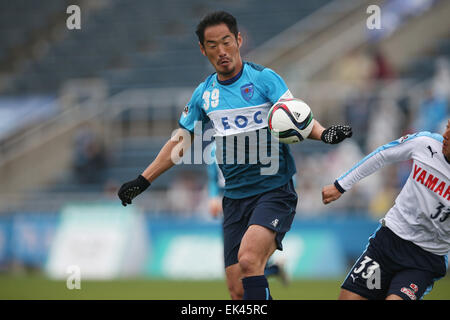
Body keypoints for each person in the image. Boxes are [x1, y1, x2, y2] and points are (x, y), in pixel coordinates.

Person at [118, 11, 352, 300]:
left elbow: (297, 117)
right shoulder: (204, 94)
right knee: (237, 290)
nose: (222, 51)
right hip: (235, 198)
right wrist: (143, 180)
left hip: (273, 190)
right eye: (213, 45)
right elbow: (179, 143)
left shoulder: (264, 79)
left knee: (250, 259)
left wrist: (325, 133)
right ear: (203, 50)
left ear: (239, 40)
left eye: (226, 41)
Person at [322, 120, 450, 300]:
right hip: (389, 241)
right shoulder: (426, 143)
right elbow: (384, 154)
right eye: (448, 127)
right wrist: (341, 185)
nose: (446, 134)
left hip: (424, 258)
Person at [206, 142, 290, 286]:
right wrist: (214, 197)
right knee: (234, 266)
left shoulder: (251, 142)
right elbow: (213, 178)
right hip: (230, 204)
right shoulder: (213, 150)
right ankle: (274, 269)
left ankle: (268, 275)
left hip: (252, 199)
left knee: (250, 261)